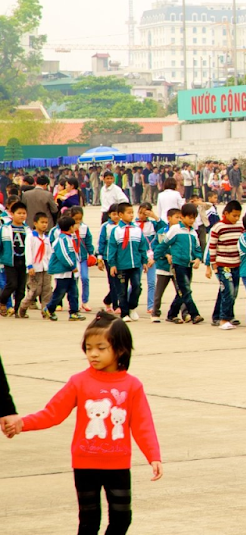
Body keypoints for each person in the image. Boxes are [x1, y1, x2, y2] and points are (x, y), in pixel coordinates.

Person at [2, 312, 163, 535]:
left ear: (120, 349)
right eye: (88, 348)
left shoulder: (132, 386)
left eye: (101, 347)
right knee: (88, 523)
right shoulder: (79, 381)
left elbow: (143, 424)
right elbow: (53, 413)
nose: (93, 354)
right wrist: (23, 423)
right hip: (85, 464)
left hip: (118, 465)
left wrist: (153, 456)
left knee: (122, 519)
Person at [206, 200, 244, 329]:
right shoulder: (218, 227)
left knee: (231, 291)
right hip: (224, 265)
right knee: (228, 290)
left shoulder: (240, 225)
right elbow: (212, 246)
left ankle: (220, 315)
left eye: (238, 215)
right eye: (234, 215)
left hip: (237, 264)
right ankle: (224, 319)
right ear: (226, 213)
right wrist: (213, 263)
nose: (236, 218)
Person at [163, 205, 202, 325]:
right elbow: (164, 244)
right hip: (178, 264)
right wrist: (162, 256)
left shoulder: (193, 233)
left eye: (194, 218)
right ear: (182, 217)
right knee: (185, 290)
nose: (192, 220)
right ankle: (195, 314)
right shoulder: (175, 229)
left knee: (182, 291)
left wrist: (198, 259)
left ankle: (172, 314)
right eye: (189, 218)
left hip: (188, 265)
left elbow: (197, 249)